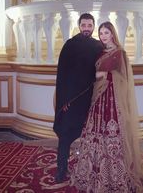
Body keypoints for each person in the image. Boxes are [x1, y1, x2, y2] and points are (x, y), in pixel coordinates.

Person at [69, 21, 143, 192]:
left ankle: (116, 176)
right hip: (98, 99)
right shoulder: (99, 53)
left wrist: (103, 74)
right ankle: (93, 173)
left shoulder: (120, 53)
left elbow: (124, 78)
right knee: (94, 133)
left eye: (106, 33)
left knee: (112, 135)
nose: (103, 36)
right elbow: (89, 72)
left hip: (113, 100)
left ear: (112, 34)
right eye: (101, 33)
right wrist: (94, 74)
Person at [53, 13, 103, 183]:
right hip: (71, 101)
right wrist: (63, 102)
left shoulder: (98, 46)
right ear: (79, 25)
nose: (87, 28)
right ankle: (61, 169)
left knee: (91, 136)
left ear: (94, 26)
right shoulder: (70, 45)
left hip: (91, 99)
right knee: (65, 135)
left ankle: (89, 169)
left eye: (90, 25)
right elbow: (62, 75)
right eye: (84, 25)